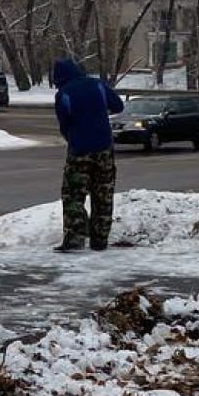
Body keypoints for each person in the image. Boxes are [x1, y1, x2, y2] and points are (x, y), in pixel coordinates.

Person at [51, 58, 124, 251]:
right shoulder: (97, 85)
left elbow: (64, 124)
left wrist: (74, 139)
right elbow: (118, 106)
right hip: (104, 149)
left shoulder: (64, 94)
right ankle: (99, 240)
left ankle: (75, 240)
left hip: (80, 151)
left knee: (74, 195)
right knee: (103, 195)